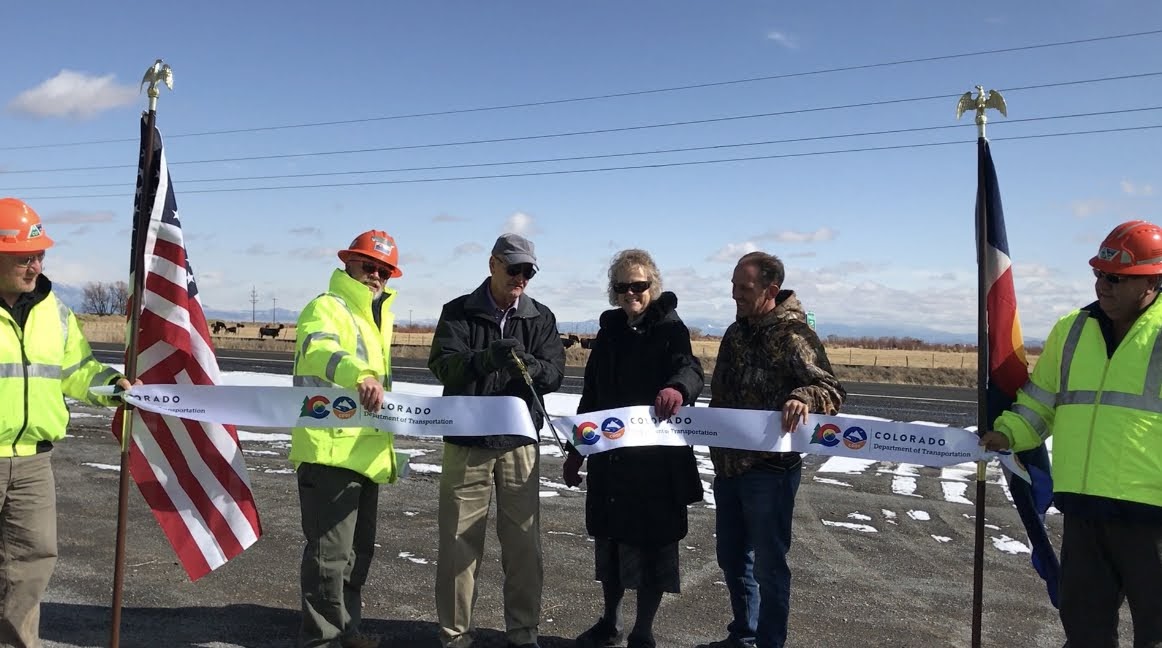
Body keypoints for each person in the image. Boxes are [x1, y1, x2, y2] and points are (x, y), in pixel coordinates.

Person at [980, 220, 1162, 647]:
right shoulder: (1071, 330)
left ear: (1151, 281)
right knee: (1084, 632)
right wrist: (1007, 434)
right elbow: (1038, 404)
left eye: (1116, 278)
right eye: (1099, 274)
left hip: (1152, 520)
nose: (1104, 285)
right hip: (1084, 511)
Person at [0, 198, 134, 648]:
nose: (35, 265)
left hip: (35, 464)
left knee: (32, 564)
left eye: (39, 255)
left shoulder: (52, 308)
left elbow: (77, 369)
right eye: (25, 256)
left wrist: (114, 385)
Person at [701, 251, 845, 648]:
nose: (735, 295)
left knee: (769, 566)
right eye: (733, 286)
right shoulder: (737, 332)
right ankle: (744, 635)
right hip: (729, 466)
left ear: (771, 290)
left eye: (744, 289)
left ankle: (769, 643)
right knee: (732, 559)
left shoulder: (793, 335)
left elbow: (830, 388)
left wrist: (803, 396)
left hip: (770, 469)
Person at [428, 233, 566, 648]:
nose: (521, 278)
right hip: (467, 440)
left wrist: (530, 365)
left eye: (529, 272)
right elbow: (442, 366)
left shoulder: (540, 317)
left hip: (519, 442)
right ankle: (456, 635)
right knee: (458, 542)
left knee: (524, 544)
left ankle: (523, 633)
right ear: (492, 264)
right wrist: (484, 359)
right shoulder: (458, 312)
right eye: (514, 269)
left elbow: (556, 371)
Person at [562, 249, 705, 648]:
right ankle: (610, 623)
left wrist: (678, 388)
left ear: (652, 286)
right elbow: (591, 395)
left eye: (638, 286)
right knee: (610, 543)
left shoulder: (671, 328)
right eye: (623, 286)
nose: (631, 293)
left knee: (653, 546)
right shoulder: (609, 331)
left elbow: (691, 369)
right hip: (612, 458)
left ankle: (643, 630)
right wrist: (577, 449)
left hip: (658, 462)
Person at [291, 230, 404, 648]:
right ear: (348, 264)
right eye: (368, 266)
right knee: (328, 558)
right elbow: (320, 351)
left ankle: (347, 630)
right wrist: (359, 375)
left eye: (384, 270)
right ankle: (320, 639)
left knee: (356, 557)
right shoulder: (327, 307)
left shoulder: (375, 316)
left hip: (366, 453)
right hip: (329, 452)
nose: (376, 275)